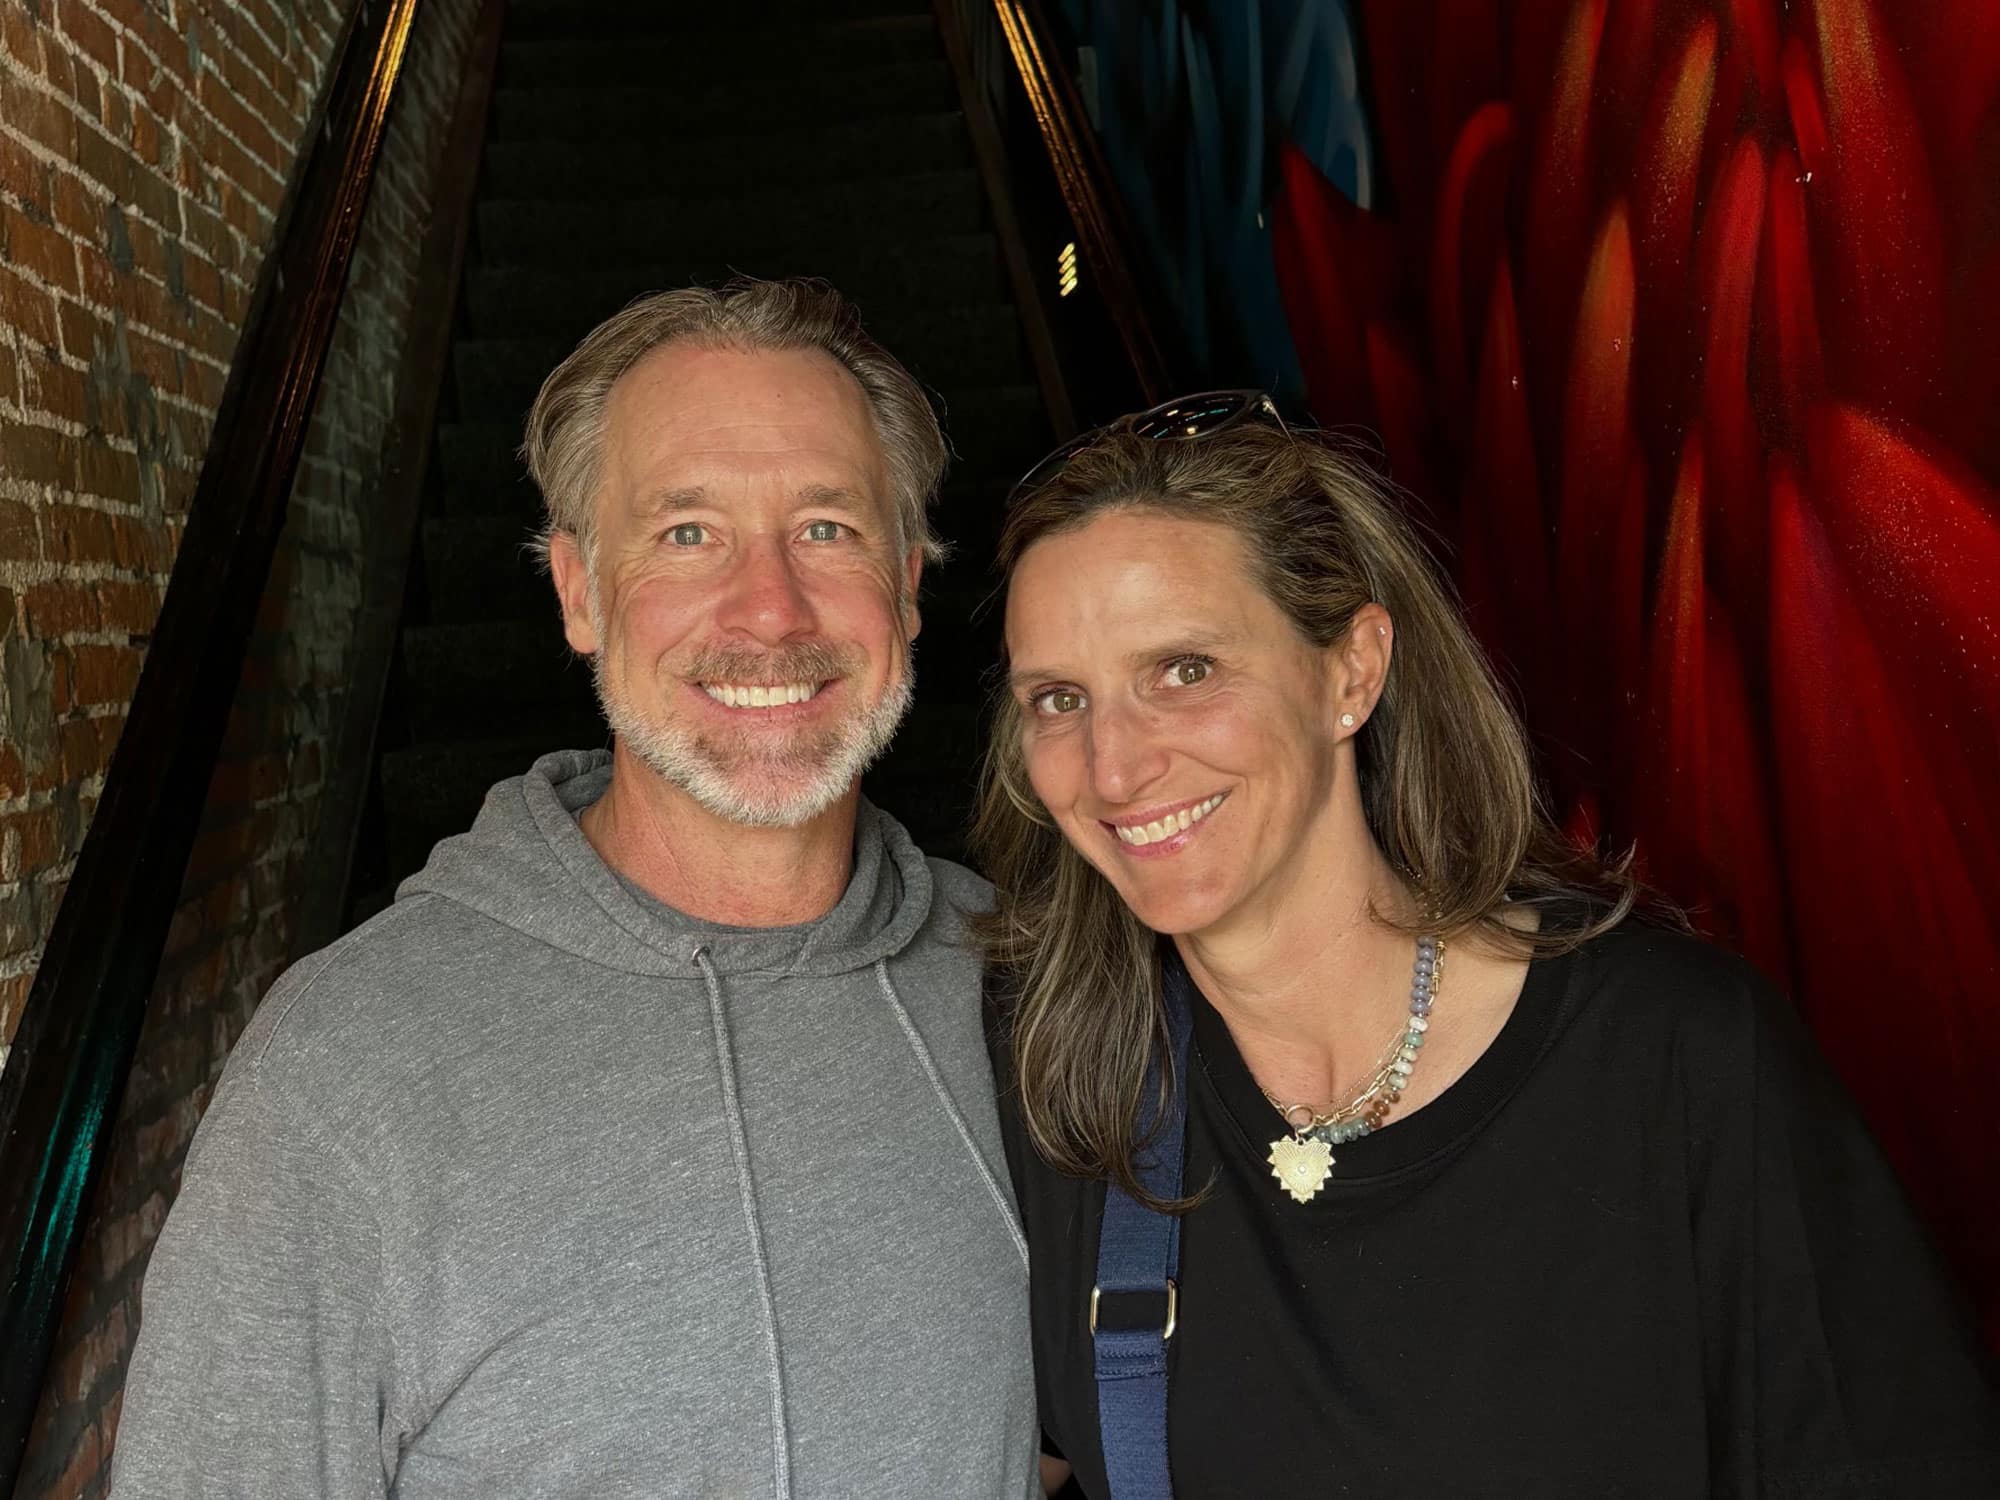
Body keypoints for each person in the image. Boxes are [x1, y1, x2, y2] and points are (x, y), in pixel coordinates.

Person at [975, 392, 1999, 1497]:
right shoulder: (1058, 1094)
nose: (1115, 768)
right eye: (1059, 699)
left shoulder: (1677, 1060)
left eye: (1183, 670)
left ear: (1350, 672)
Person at [112, 280, 1038, 1498]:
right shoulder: (347, 1067)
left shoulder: (1020, 981)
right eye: (686, 533)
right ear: (577, 593)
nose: (769, 608)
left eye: (828, 528)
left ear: (909, 586)